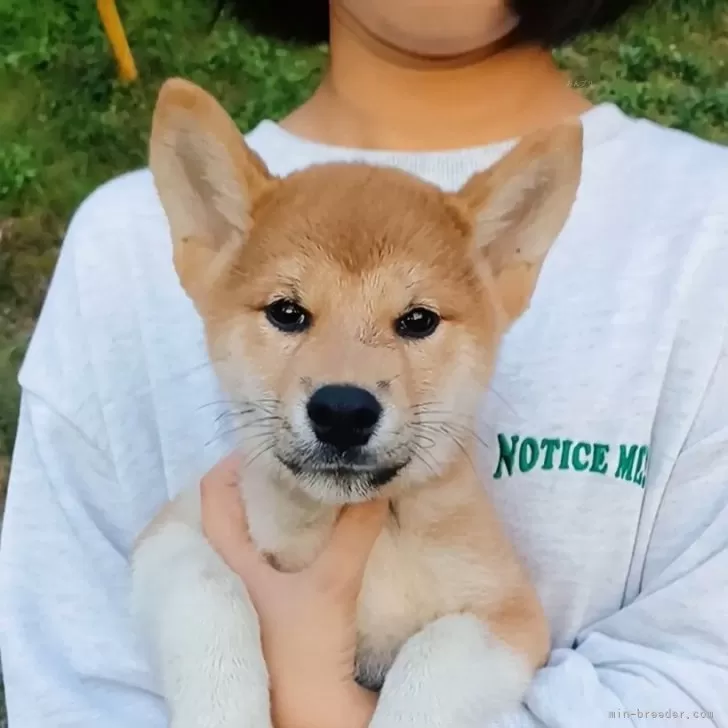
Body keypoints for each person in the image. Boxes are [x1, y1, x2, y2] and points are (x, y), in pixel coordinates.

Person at [1, 1, 727, 726]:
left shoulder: (704, 237)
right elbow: (68, 678)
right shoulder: (116, 252)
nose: (345, 385)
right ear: (207, 238)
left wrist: (326, 704)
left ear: (509, 259)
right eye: (290, 313)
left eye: (414, 322)